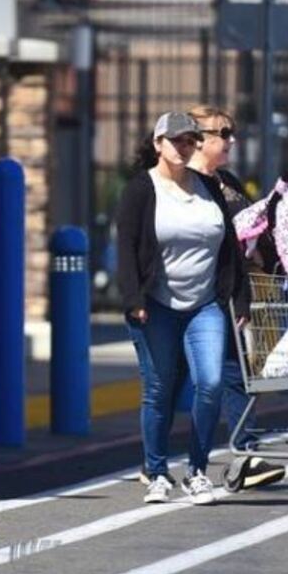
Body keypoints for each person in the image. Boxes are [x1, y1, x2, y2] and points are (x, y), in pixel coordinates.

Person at [116, 111, 250, 505]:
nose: (184, 147)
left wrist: (238, 296)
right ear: (158, 144)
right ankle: (157, 472)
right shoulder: (142, 189)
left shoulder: (209, 187)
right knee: (158, 389)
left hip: (205, 304)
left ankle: (196, 471)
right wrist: (132, 299)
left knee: (208, 384)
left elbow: (231, 247)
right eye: (175, 140)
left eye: (190, 140)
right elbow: (125, 248)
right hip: (156, 305)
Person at [186, 104, 286, 490]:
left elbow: (248, 228)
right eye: (222, 133)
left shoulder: (226, 181)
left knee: (226, 374)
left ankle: (245, 453)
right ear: (197, 139)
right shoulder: (185, 184)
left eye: (231, 132)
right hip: (195, 294)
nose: (231, 140)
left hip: (228, 292)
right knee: (191, 378)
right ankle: (243, 451)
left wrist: (262, 249)